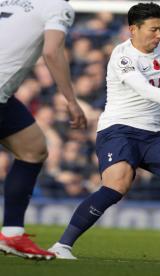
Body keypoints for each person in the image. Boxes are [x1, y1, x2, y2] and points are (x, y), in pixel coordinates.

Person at [49, 2, 160, 260]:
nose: (159, 35)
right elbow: (144, 89)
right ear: (133, 29)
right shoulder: (122, 55)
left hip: (151, 134)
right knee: (117, 186)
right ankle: (62, 245)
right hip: (119, 130)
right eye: (153, 29)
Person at [0, 0, 87, 260]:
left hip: (4, 97)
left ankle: (13, 234)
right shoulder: (57, 6)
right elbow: (52, 51)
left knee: (33, 149)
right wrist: (71, 100)